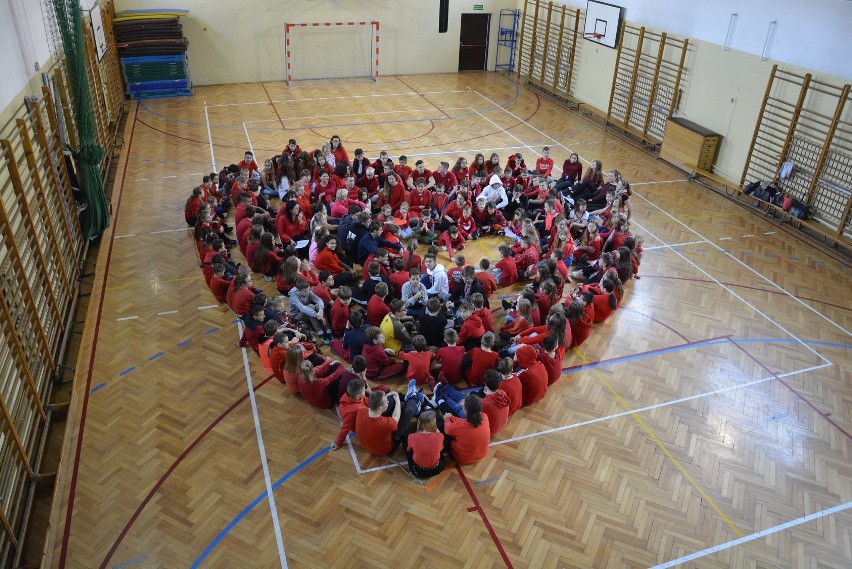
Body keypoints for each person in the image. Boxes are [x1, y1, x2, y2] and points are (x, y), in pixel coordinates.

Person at [443, 394, 490, 465]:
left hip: (463, 458)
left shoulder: (460, 426)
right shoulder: (485, 417)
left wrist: (447, 419)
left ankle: (441, 400)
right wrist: (452, 417)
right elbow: (462, 423)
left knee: (444, 430)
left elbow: (447, 429)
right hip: (481, 454)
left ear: (465, 409)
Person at [405, 411, 445, 480]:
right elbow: (440, 449)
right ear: (434, 424)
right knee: (439, 449)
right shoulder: (440, 436)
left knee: (408, 448)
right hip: (437, 469)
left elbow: (409, 450)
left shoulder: (411, 436)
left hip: (418, 471)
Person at [480, 370, 511, 436]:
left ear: (485, 384)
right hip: (501, 426)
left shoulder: (484, 403)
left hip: (490, 431)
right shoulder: (503, 393)